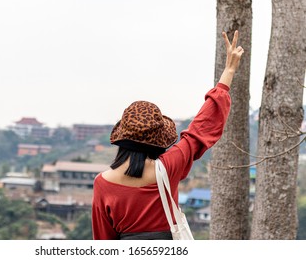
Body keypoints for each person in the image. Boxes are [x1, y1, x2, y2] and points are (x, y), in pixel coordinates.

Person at [91, 30, 245, 240]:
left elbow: (102, 240)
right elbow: (200, 129)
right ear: (157, 142)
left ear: (122, 138)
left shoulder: (102, 183)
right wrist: (228, 72)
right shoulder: (167, 167)